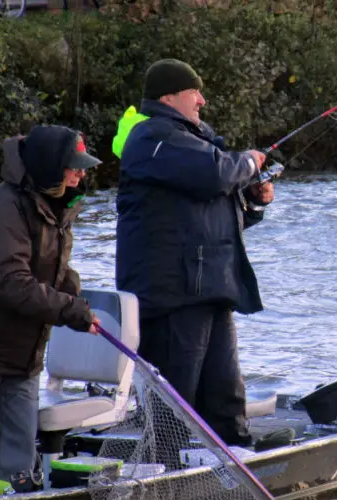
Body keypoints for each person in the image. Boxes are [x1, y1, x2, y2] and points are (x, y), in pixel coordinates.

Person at [114, 59, 274, 447]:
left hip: (209, 290)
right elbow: (216, 174)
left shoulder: (192, 141)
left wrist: (251, 201)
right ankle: (166, 471)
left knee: (225, 392)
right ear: (169, 97)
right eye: (194, 92)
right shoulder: (152, 138)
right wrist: (250, 162)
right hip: (173, 296)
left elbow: (214, 209)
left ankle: (234, 460)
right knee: (176, 402)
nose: (202, 100)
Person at [0, 125, 102, 498]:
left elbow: (52, 270)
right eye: (73, 166)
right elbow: (11, 281)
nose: (81, 173)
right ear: (49, 167)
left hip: (24, 354)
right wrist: (70, 311)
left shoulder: (58, 204)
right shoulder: (3, 208)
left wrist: (77, 302)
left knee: (18, 458)